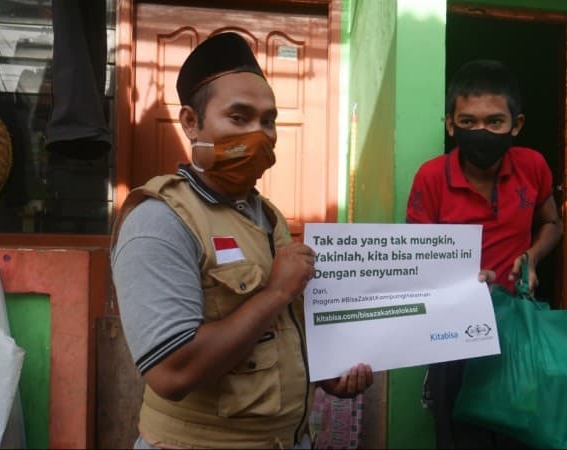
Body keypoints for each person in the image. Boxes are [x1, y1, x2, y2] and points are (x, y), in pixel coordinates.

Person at [111, 32, 372, 450]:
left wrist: (325, 376)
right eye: (239, 117)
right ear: (191, 123)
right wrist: (276, 292)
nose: (259, 134)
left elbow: (278, 332)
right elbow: (172, 372)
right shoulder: (159, 220)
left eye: (268, 121)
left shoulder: (267, 216)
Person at [406, 59, 563, 448]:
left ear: (516, 124)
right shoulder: (430, 177)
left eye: (494, 122)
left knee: (518, 437)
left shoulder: (533, 166)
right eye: (468, 121)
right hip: (452, 335)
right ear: (450, 124)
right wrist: (461, 281)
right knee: (459, 438)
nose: (481, 132)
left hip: (516, 330)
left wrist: (532, 257)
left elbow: (552, 224)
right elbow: (416, 259)